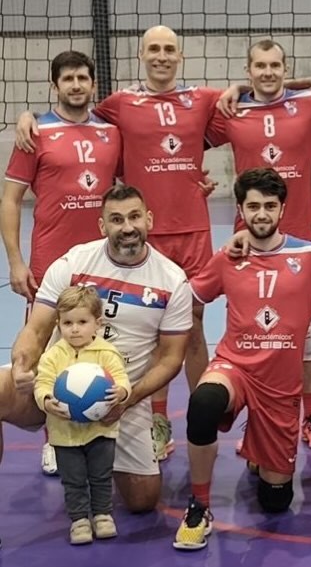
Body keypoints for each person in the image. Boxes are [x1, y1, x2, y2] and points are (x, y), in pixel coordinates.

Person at [16, 26, 220, 461]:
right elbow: (69, 117)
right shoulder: (117, 106)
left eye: (169, 49)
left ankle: (195, 417)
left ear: (180, 56)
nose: (161, 56)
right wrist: (26, 114)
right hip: (106, 243)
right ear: (141, 55)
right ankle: (74, 430)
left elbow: (258, 92)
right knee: (78, 332)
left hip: (188, 231)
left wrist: (189, 180)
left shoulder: (196, 100)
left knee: (184, 329)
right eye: (153, 49)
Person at [173, 168, 311, 550]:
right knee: (203, 404)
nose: (261, 214)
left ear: (282, 209)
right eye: (253, 206)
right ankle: (199, 505)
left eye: (269, 205)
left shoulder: (308, 255)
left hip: (280, 387)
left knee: (275, 501)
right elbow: (189, 298)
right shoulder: (228, 257)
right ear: (240, 209)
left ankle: (258, 445)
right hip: (234, 367)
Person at [8, 184, 193, 513]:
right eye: (116, 219)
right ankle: (63, 442)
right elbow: (36, 329)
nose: (127, 227)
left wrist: (126, 399)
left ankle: (94, 453)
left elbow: (171, 359)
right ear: (102, 225)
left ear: (149, 219)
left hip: (119, 398)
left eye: (135, 217)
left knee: (142, 500)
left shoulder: (172, 280)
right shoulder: (74, 262)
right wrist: (23, 364)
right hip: (54, 388)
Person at [205, 39, 311, 450]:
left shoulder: (309, 105)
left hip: (303, 240)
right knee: (254, 333)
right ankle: (257, 417)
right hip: (249, 241)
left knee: (306, 334)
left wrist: (307, 82)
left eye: (275, 66)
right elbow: (183, 134)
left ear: (286, 68)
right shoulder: (232, 110)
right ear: (247, 71)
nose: (268, 72)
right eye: (260, 66)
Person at [2, 50, 121, 475]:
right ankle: (54, 438)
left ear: (94, 84)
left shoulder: (111, 132)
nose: (75, 85)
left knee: (100, 346)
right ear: (55, 85)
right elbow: (11, 200)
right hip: (51, 264)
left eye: (82, 78)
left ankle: (103, 430)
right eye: (67, 78)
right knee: (46, 352)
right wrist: (16, 261)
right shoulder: (36, 133)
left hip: (104, 263)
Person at [34, 286, 130, 545]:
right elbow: (42, 383)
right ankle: (79, 520)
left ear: (97, 323)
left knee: (101, 475)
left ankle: (102, 515)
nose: (74, 329)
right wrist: (46, 401)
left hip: (101, 431)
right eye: (67, 323)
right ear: (58, 324)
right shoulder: (52, 356)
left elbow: (121, 378)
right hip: (64, 434)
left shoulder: (107, 353)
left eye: (82, 322)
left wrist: (121, 392)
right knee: (73, 479)